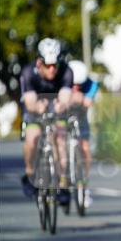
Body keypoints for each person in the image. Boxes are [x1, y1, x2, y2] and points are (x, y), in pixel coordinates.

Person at [20, 38, 73, 205]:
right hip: (35, 110)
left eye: (54, 65)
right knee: (33, 138)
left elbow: (66, 96)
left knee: (60, 141)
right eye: (47, 65)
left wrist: (61, 105)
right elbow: (29, 102)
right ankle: (30, 174)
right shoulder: (28, 73)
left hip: (56, 109)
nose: (51, 69)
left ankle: (62, 185)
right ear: (39, 63)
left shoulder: (66, 71)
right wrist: (38, 106)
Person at [68, 60, 99, 208]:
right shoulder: (62, 80)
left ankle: (84, 188)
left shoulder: (91, 84)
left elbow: (88, 101)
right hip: (63, 118)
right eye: (73, 84)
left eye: (79, 85)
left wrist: (85, 99)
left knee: (85, 149)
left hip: (80, 119)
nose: (76, 87)